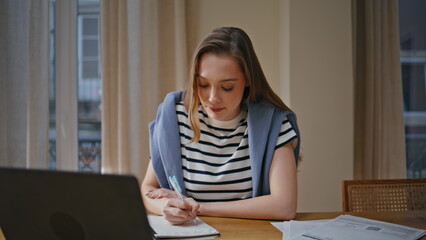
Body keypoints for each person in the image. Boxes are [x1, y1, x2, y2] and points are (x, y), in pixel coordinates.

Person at [141, 27, 301, 225]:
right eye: (203, 84)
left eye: (227, 87)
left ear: (248, 80)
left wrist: (199, 208)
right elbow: (148, 188)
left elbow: (284, 207)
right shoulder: (173, 117)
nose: (213, 98)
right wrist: (166, 206)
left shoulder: (273, 124)